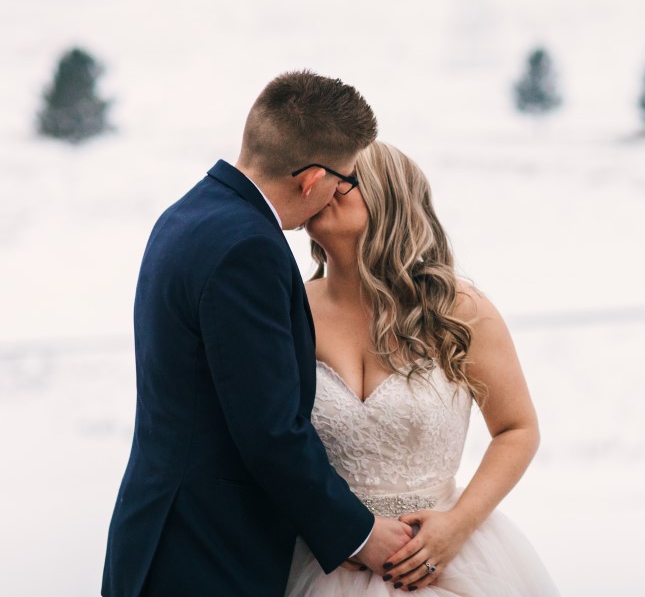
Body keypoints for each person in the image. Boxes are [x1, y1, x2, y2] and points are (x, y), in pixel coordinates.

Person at [102, 72, 415, 597]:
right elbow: (269, 431)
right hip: (205, 554)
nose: (340, 193)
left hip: (158, 534)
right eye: (344, 180)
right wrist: (361, 535)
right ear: (312, 179)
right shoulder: (251, 249)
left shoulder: (186, 215)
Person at [285, 141, 559, 596]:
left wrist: (457, 525)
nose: (322, 190)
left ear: (387, 199)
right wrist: (331, 525)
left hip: (447, 558)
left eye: (342, 181)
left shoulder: (458, 310)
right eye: (317, 179)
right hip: (325, 561)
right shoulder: (290, 311)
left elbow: (518, 428)